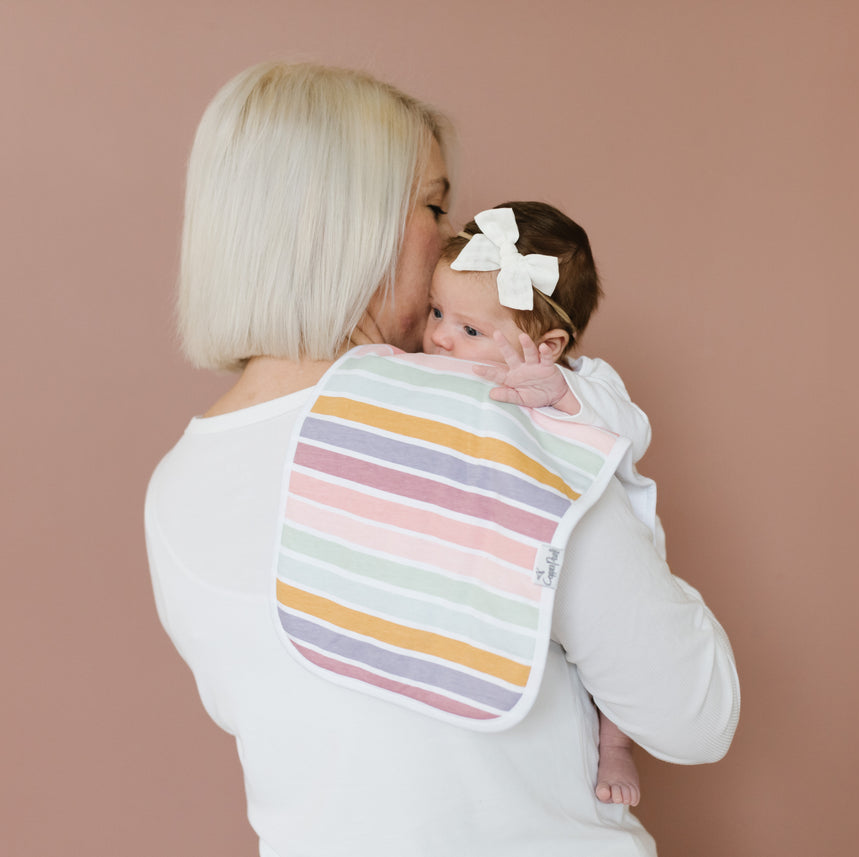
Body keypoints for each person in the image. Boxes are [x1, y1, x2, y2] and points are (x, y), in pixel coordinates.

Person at [145, 61, 739, 857]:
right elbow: (695, 711)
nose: (455, 239)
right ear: (352, 221)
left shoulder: (176, 487)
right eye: (435, 205)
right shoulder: (494, 414)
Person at [423, 201, 665, 805]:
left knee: (609, 662)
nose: (441, 337)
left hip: (592, 548)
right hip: (512, 547)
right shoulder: (441, 370)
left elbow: (633, 433)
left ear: (549, 346)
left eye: (470, 331)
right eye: (436, 311)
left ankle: (616, 745)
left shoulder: (586, 383)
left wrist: (562, 396)